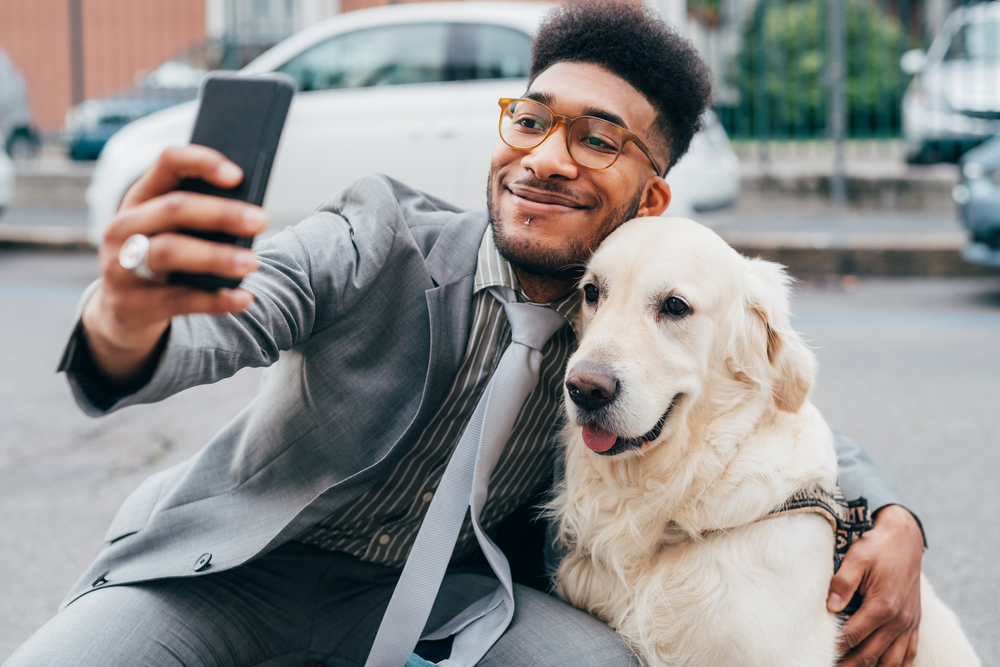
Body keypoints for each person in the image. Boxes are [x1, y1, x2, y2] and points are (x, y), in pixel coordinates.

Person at [6, 3, 925, 667]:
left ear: (650, 197)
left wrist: (893, 518)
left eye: (598, 139)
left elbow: (771, 402)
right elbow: (233, 318)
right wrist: (126, 318)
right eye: (531, 119)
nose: (545, 156)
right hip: (238, 576)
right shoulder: (378, 235)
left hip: (454, 599)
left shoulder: (629, 326)